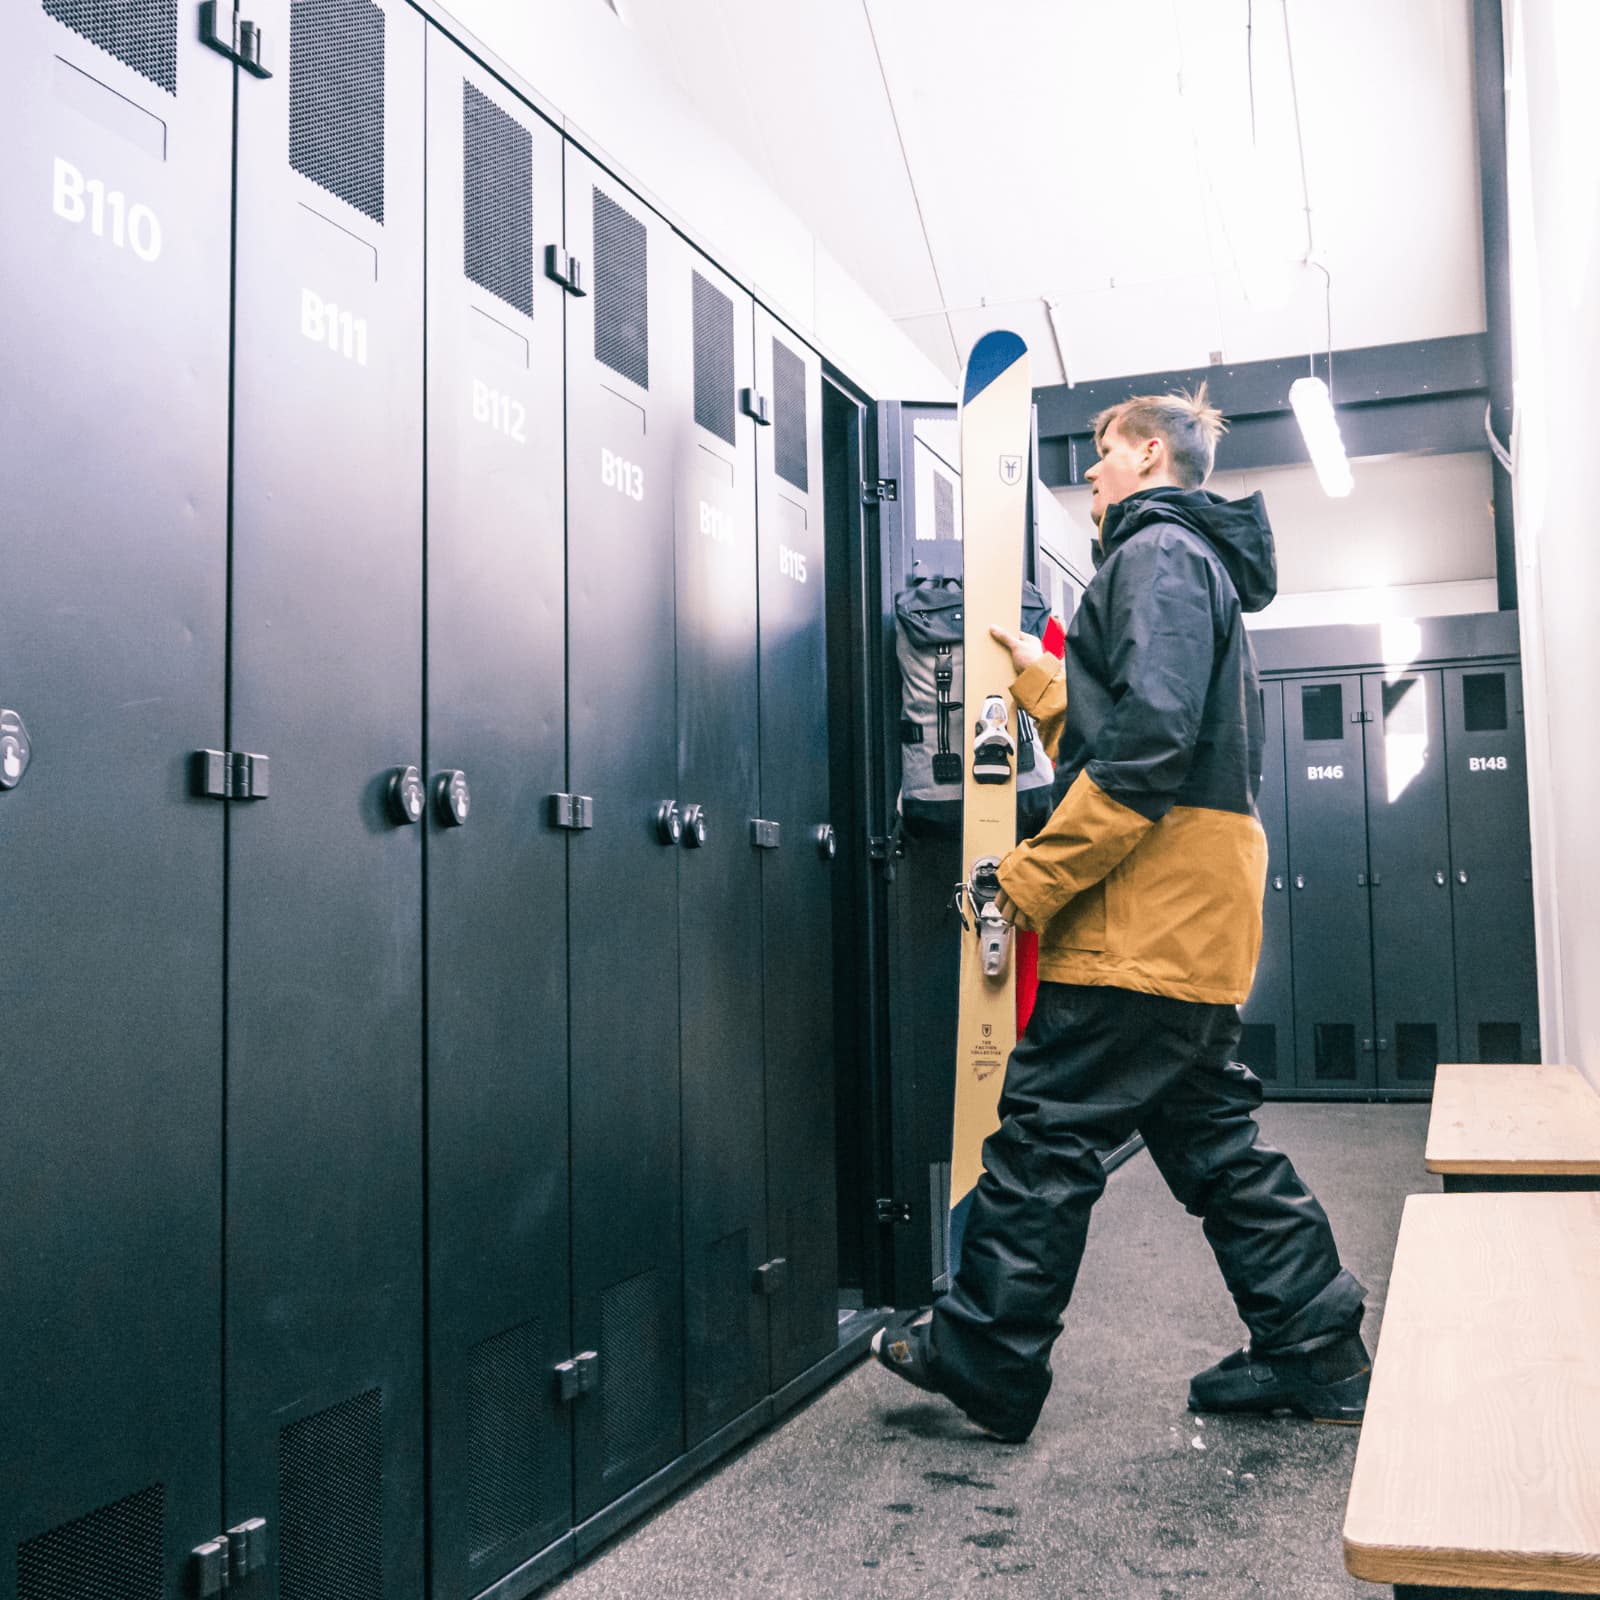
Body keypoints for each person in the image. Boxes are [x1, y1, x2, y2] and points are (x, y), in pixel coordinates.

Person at [872, 386, 1369, 1443]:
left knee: (1046, 1132)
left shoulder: (1154, 554)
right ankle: (1315, 1349)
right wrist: (1046, 679)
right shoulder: (1189, 564)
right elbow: (1140, 725)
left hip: (1146, 915)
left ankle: (986, 1357)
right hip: (1191, 912)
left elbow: (1145, 755)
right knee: (1210, 1141)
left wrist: (1028, 880)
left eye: (1100, 454)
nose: (1088, 474)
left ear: (1145, 452)